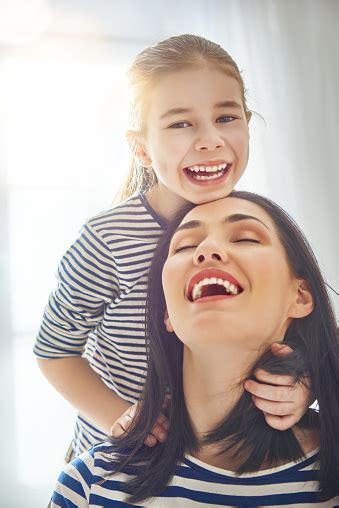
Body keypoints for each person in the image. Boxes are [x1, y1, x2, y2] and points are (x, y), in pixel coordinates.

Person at [34, 34, 310, 461]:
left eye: (226, 118)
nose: (210, 140)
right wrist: (123, 417)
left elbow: (300, 334)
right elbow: (55, 352)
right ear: (141, 148)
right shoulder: (107, 240)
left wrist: (302, 385)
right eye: (181, 124)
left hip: (214, 458)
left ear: (247, 124)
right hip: (123, 461)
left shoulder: (259, 229)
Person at [50, 192, 339, 506]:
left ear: (300, 297)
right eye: (186, 245)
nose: (207, 250)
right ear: (167, 314)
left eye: (245, 239)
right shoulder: (89, 485)